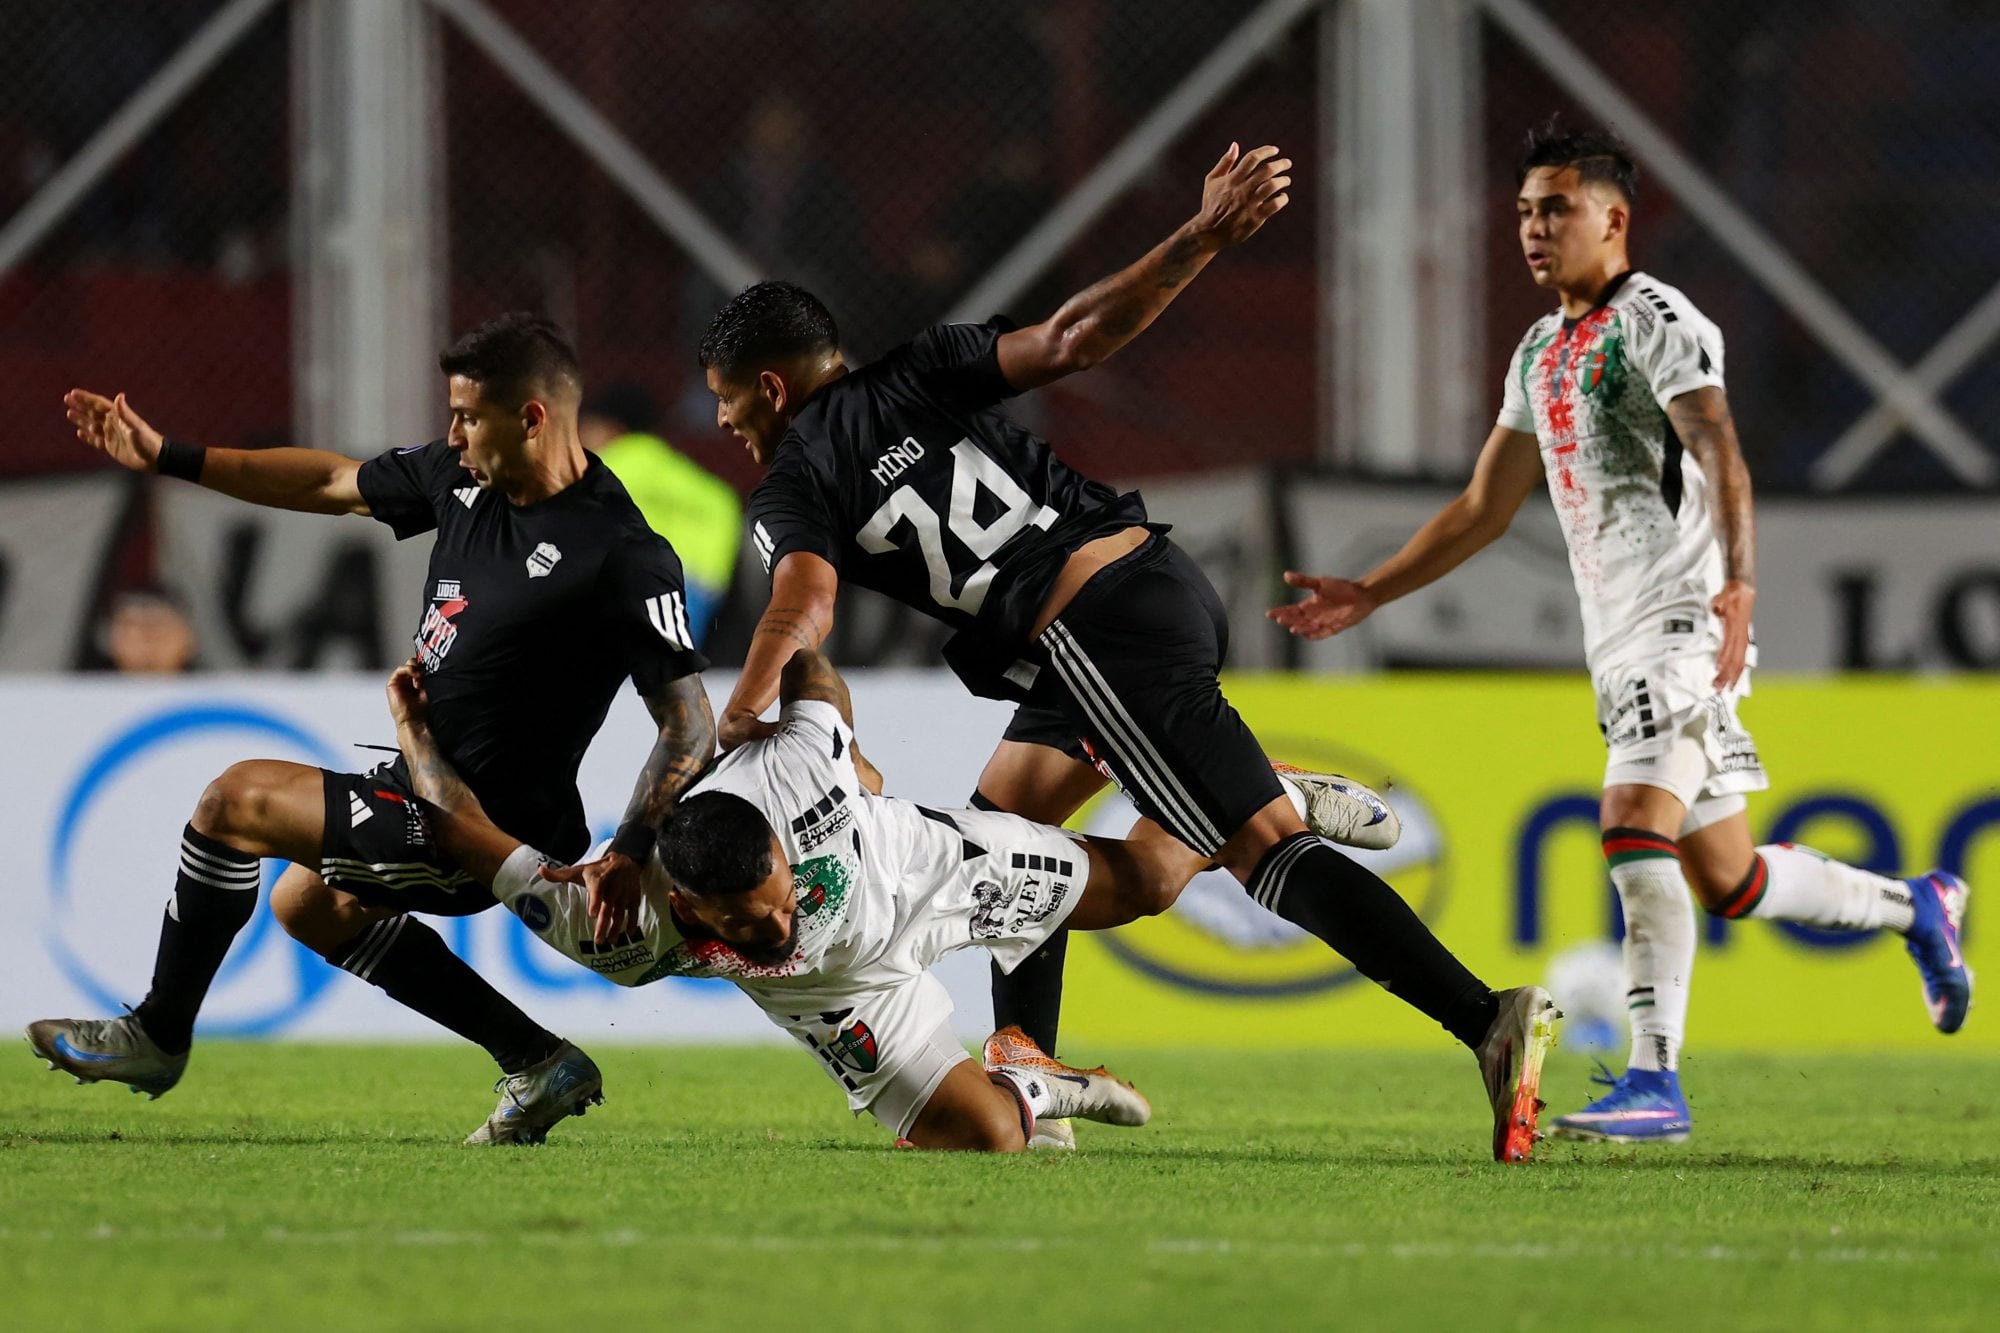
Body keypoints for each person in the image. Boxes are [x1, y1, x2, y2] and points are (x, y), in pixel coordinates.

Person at [699, 143, 1557, 1162]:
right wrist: (1199, 234)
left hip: (1089, 633)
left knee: (1257, 856)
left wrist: (749, 695)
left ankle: (1482, 1016)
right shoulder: (923, 367)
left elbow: (803, 591)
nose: (722, 420)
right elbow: (1071, 336)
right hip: (1145, 587)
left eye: (725, 398)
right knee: (1004, 828)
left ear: (767, 383)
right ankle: (1031, 1070)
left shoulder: (795, 475)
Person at [1270, 125, 1973, 1144]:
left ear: (1612, 217)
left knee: (1630, 823)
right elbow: (1480, 506)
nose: (1531, 228)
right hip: (1619, 640)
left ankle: (1654, 1079)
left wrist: (1737, 582)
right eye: (1521, 210)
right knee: (1725, 875)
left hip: (1677, 621)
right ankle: (1917, 904)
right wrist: (1371, 591)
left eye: (1553, 208)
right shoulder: (1536, 350)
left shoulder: (1657, 321)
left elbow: (1717, 448)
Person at [29, 314, 716, 1145]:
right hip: (418, 781)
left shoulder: (620, 551)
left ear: (532, 418)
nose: (452, 436)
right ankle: (537, 1058)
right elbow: (328, 483)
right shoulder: (462, 481)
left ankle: (157, 1033)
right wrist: (170, 456)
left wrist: (632, 847)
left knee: (234, 801)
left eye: (468, 416)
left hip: (489, 827)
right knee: (308, 903)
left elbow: (687, 724)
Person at [381, 647, 1185, 1150]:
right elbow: (458, 832)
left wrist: (852, 751)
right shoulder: (608, 923)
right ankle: (1030, 1073)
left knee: (1149, 881)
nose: (779, 920)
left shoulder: (795, 770)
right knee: (994, 1137)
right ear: (691, 909)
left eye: (780, 897)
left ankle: (1238, 799)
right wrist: (413, 730)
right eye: (751, 920)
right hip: (837, 996)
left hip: (926, 869)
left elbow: (810, 667)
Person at [580, 381, 742, 643]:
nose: (582, 435)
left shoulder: (620, 458)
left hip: (662, 577)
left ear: (612, 426)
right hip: (702, 577)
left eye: (589, 426)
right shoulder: (659, 458)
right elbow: (724, 500)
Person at [94, 584, 199, 674]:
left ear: (189, 639)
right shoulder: (90, 694)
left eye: (160, 624)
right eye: (132, 625)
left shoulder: (209, 691)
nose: (147, 638)